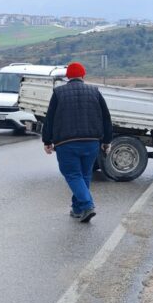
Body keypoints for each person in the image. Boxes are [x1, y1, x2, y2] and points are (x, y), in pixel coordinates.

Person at [42, 62, 113, 223]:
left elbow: (50, 119)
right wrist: (107, 141)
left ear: (68, 76)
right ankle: (77, 208)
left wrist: (47, 140)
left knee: (73, 175)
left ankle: (88, 205)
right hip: (91, 142)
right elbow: (106, 118)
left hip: (67, 143)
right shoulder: (95, 92)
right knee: (84, 175)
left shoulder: (59, 93)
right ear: (83, 75)